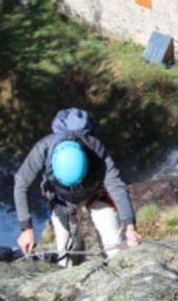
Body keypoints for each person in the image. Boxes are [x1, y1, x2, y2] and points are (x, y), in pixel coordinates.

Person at [14, 108, 141, 264]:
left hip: (95, 192)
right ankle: (74, 253)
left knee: (115, 250)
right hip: (60, 199)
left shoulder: (96, 150)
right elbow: (21, 182)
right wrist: (26, 229)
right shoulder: (43, 148)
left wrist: (129, 226)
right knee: (66, 258)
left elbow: (116, 186)